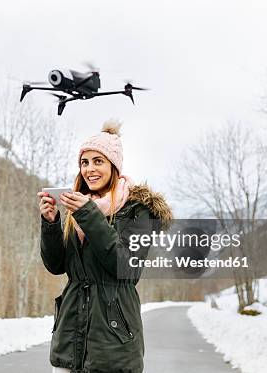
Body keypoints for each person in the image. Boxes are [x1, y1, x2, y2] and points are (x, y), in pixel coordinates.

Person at [37, 121, 172, 373]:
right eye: (84, 162)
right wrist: (51, 222)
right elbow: (56, 265)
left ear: (114, 165)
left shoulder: (138, 211)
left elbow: (126, 267)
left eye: (98, 161)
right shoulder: (81, 206)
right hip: (69, 337)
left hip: (114, 343)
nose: (89, 169)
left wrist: (87, 215)